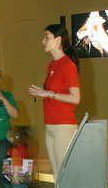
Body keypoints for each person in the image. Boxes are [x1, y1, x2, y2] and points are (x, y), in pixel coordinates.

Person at [28, 24, 81, 180]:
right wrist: (43, 94)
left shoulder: (68, 65)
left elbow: (76, 98)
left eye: (47, 37)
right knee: (57, 173)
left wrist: (49, 93)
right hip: (50, 125)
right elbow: (55, 94)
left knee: (64, 172)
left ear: (58, 40)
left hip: (63, 126)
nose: (43, 41)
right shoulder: (52, 65)